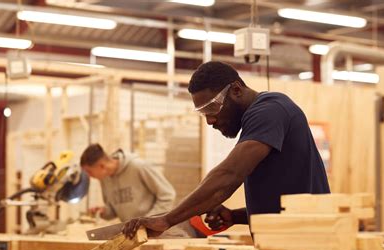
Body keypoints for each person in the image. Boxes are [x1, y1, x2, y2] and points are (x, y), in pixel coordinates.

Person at [122, 61, 330, 239]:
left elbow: (228, 176)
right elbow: (289, 199)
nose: (210, 120)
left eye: (212, 108)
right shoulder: (260, 120)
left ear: (236, 90)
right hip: (289, 240)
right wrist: (236, 216)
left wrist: (167, 220)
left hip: (305, 243)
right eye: (204, 113)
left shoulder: (270, 110)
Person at [80, 144, 196, 238]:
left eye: (89, 172)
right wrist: (104, 211)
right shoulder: (104, 179)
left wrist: (149, 221)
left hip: (158, 233)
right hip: (134, 235)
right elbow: (114, 210)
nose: (90, 176)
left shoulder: (138, 167)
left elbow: (167, 195)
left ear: (101, 166)